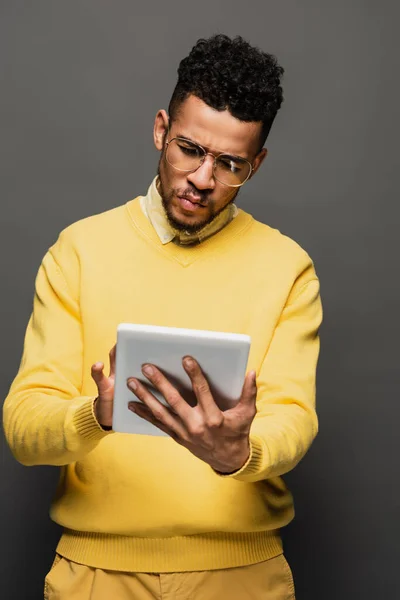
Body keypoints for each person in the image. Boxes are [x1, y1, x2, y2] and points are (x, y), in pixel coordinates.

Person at [3, 34, 322, 600]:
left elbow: (293, 418)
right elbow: (24, 430)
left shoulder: (287, 267)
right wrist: (94, 415)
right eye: (189, 149)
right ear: (159, 130)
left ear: (257, 163)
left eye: (231, 165)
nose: (203, 178)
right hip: (94, 576)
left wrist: (240, 452)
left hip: (242, 577)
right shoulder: (78, 251)